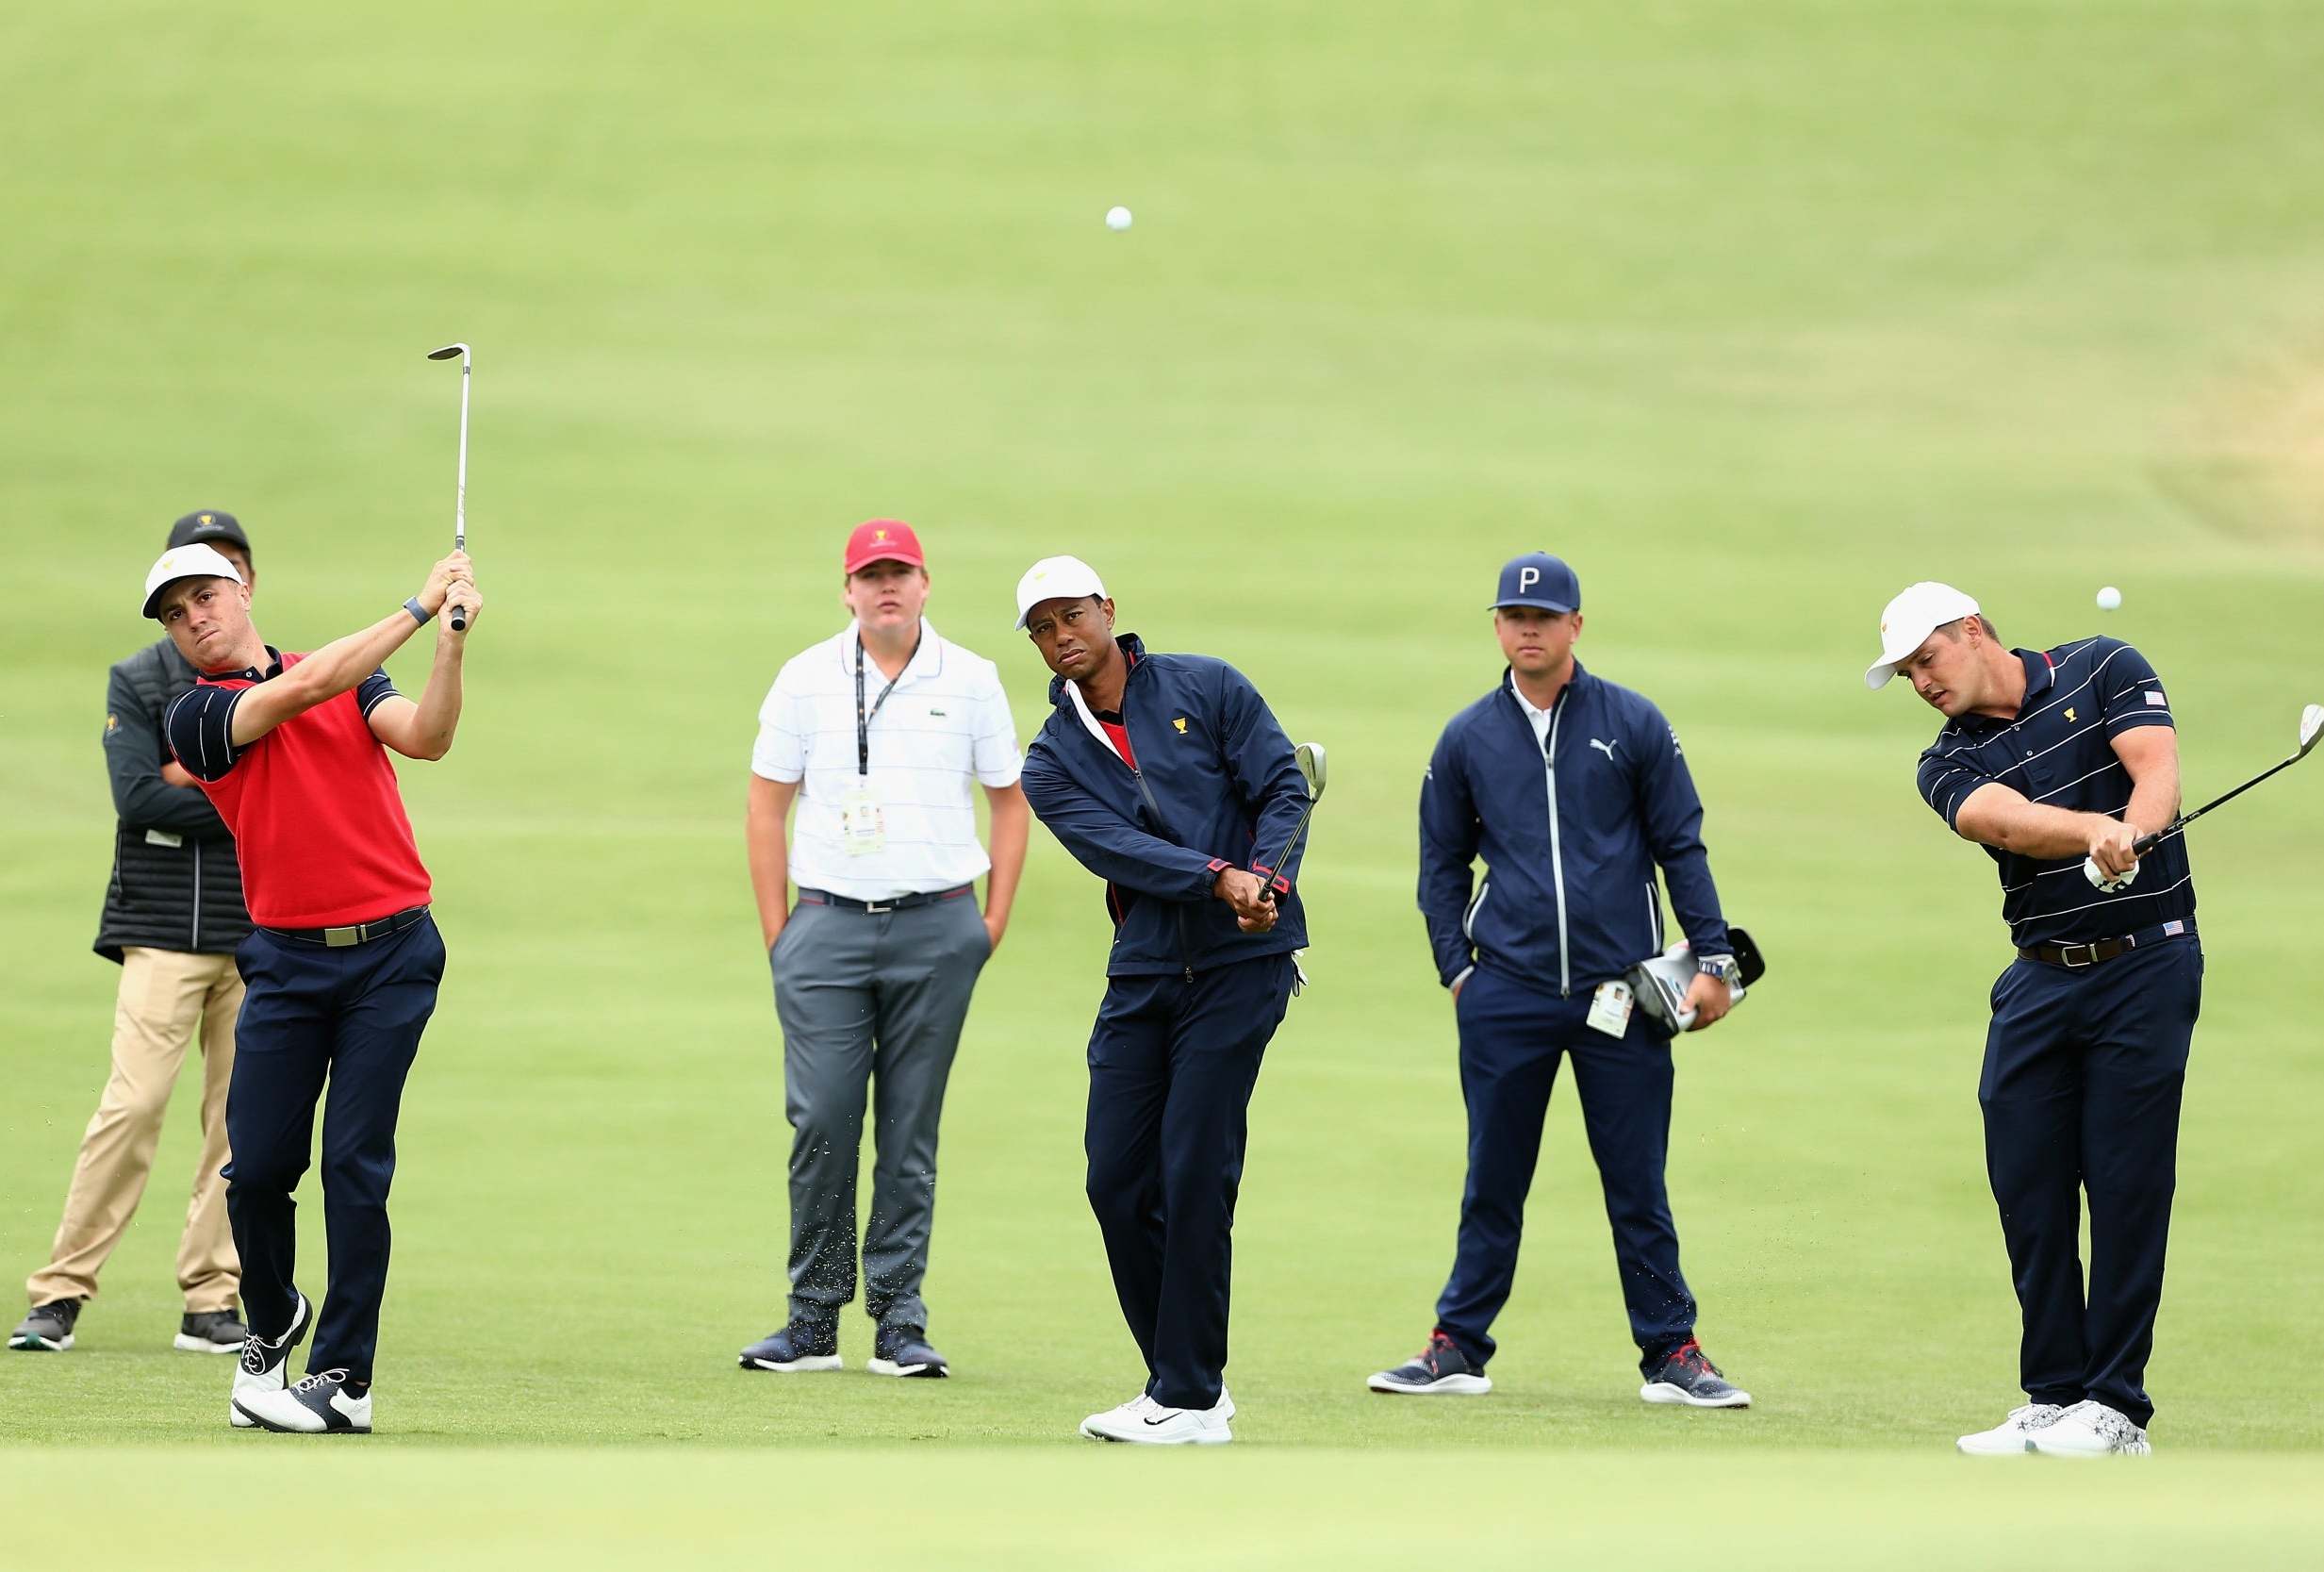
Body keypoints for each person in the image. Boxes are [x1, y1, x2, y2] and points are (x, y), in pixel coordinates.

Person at [1371, 552, 1752, 1409]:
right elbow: (1441, 861)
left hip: (1622, 992)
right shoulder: (1468, 735)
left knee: (1635, 1180)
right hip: (1503, 989)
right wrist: (1457, 972)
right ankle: (1457, 1345)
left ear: (1576, 624)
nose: (1528, 629)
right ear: (1498, 627)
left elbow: (1680, 848)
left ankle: (1671, 1352)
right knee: (1492, 1176)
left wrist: (1715, 960)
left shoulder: (1633, 722)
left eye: (1544, 617)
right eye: (1512, 616)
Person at [149, 537, 481, 1434]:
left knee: (353, 1166)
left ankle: (344, 1377)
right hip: (287, 964)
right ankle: (274, 1316)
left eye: (205, 598)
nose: (195, 621)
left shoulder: (347, 676)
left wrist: (447, 644)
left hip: (392, 952)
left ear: (243, 588)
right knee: (254, 1170)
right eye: (177, 615)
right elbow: (300, 692)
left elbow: (428, 736)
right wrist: (416, 607)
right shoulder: (197, 714)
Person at [1868, 581, 2197, 1457]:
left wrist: (2132, 830)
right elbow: (2001, 821)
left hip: (2145, 964)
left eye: (1925, 660)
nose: (1920, 683)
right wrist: (2092, 827)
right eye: (1904, 674)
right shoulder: (1942, 761)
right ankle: (2052, 1394)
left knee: (2125, 1182)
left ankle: (2116, 1407)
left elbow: (2154, 768)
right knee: (2027, 1182)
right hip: (2039, 975)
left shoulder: (2101, 666)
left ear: (1970, 631)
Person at [1014, 554, 1311, 1446]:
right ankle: (1185, 1382)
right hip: (1142, 972)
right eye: (1041, 627)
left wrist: (1268, 879)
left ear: (1108, 609)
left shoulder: (1206, 686)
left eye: (1071, 614)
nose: (1061, 635)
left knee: (1193, 1172)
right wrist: (1218, 875)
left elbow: (1283, 787)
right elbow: (1119, 850)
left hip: (1241, 968)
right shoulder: (1050, 760)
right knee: (1114, 1177)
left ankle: (1183, 1393)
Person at [739, 520, 1027, 1381]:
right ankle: (811, 1319)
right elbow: (765, 805)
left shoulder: (970, 678)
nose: (885, 587)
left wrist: (991, 922)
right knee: (823, 1118)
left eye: (899, 572)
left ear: (926, 583)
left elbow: (1009, 803)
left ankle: (899, 1319)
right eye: (870, 575)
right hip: (824, 926)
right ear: (848, 590)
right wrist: (778, 932)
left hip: (938, 926)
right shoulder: (804, 678)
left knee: (909, 1127)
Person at [11, 512, 259, 1358]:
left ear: (244, 586)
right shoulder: (139, 678)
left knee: (239, 1122)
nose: (201, 610)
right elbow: (140, 799)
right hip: (159, 929)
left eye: (220, 579)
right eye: (184, 595)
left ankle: (210, 1298)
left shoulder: (275, 677)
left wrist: (190, 770)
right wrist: (228, 782)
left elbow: (274, 797)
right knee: (135, 1103)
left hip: (260, 932)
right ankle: (60, 1292)